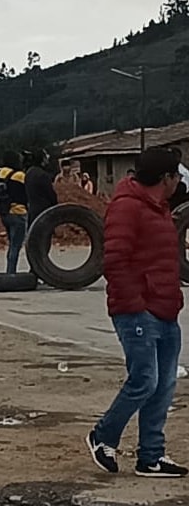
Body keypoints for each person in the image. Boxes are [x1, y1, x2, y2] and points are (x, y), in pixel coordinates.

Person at [86, 148, 187, 478]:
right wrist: (135, 303)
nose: (179, 181)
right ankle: (103, 435)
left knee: (164, 385)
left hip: (165, 307)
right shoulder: (127, 207)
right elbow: (114, 261)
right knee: (145, 379)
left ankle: (152, 456)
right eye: (176, 175)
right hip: (138, 310)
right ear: (165, 179)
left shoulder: (159, 207)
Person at [0, 151, 28, 274]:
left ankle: (9, 270)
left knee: (11, 244)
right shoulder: (20, 175)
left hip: (4, 213)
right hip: (18, 212)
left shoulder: (0, 173)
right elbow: (26, 193)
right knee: (16, 246)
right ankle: (11, 273)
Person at [25, 149, 58, 225]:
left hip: (32, 211)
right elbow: (50, 194)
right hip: (44, 212)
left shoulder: (29, 172)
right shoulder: (43, 175)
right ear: (42, 159)